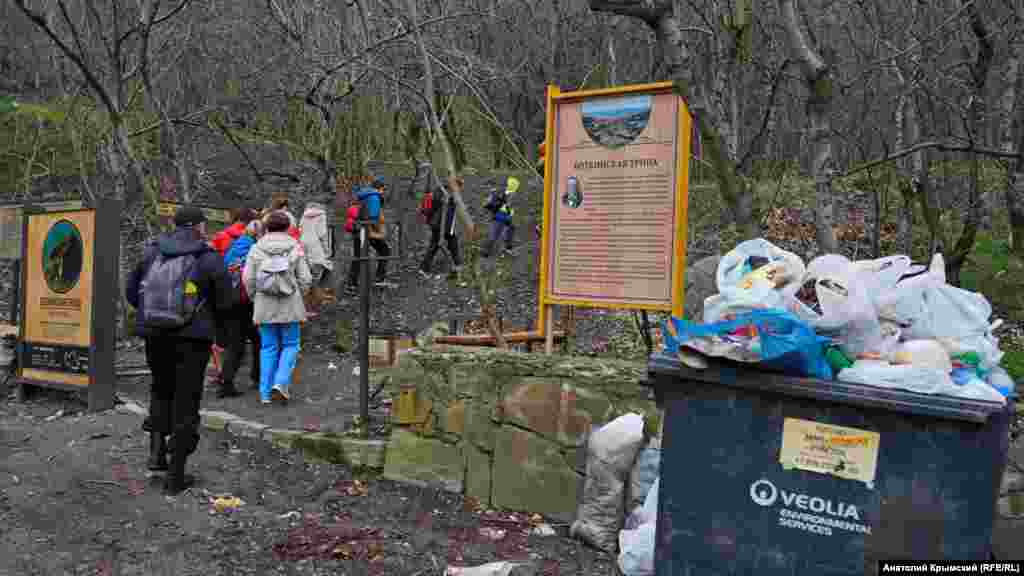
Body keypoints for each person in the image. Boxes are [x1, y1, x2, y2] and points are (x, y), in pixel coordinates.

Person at [126, 206, 232, 494]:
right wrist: (217, 331)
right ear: (198, 226)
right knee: (187, 399)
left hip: (154, 335)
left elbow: (131, 292)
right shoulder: (208, 257)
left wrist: (156, 317)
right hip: (192, 339)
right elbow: (225, 302)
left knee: (160, 389)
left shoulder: (151, 252)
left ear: (174, 224)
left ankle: (156, 455)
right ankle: (176, 475)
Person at [244, 211, 311, 405]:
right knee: (291, 345)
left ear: (267, 228)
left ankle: (265, 394)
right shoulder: (295, 248)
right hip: (291, 303)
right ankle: (280, 383)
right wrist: (299, 294)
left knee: (268, 347)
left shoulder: (256, 249)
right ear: (287, 227)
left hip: (264, 304)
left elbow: (248, 278)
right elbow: (306, 278)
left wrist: (255, 297)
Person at [217, 220, 264, 398]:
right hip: (247, 302)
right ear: (258, 235)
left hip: (229, 300)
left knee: (237, 343)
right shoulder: (255, 249)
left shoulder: (232, 247)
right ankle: (253, 377)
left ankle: (226, 380)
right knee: (254, 340)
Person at [418, 184, 462, 278]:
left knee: (452, 244)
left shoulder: (442, 192)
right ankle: (423, 268)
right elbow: (441, 205)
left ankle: (457, 264)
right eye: (459, 185)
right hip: (441, 226)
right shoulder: (444, 193)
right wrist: (451, 200)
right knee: (435, 246)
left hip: (445, 226)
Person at [355, 177, 391, 284]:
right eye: (383, 189)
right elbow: (373, 216)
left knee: (358, 256)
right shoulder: (375, 197)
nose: (383, 192)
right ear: (379, 189)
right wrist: (379, 232)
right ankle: (379, 278)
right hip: (367, 230)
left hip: (358, 228)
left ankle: (351, 284)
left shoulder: (364, 196)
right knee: (385, 250)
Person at [299, 202, 333, 318]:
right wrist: (327, 250)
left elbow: (300, 230)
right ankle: (314, 303)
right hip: (315, 245)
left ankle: (308, 304)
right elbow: (322, 234)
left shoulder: (304, 215)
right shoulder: (321, 215)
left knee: (305, 276)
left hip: (303, 244)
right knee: (319, 274)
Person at [483, 176, 519, 257]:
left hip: (501, 217)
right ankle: (486, 252)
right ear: (513, 186)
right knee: (494, 235)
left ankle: (507, 248)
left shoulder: (502, 192)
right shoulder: (507, 194)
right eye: (516, 187)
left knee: (511, 229)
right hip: (500, 217)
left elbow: (505, 207)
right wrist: (509, 212)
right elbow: (506, 207)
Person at [344, 198, 362, 292]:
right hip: (361, 234)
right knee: (359, 259)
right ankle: (353, 283)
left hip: (356, 234)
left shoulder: (351, 208)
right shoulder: (361, 208)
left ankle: (352, 283)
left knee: (357, 258)